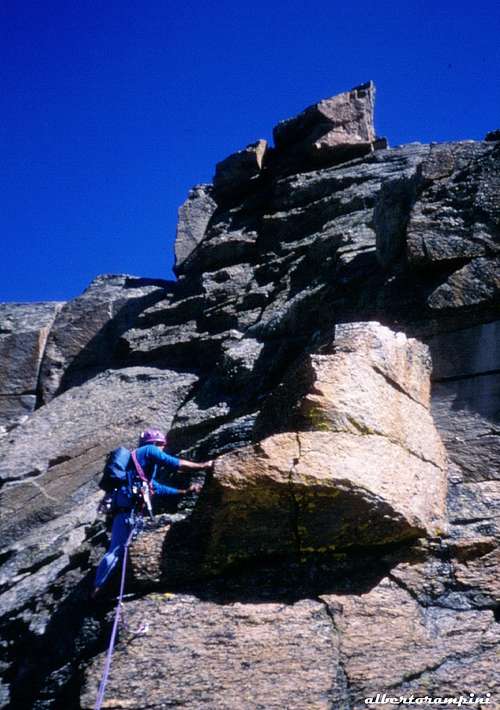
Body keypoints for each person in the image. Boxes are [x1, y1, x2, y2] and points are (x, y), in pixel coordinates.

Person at [91, 428, 213, 598]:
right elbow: (174, 463)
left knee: (119, 548)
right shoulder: (149, 451)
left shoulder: (138, 466)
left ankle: (104, 587)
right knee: (119, 549)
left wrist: (183, 492)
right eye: (163, 445)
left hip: (126, 511)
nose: (163, 448)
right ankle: (98, 589)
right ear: (157, 443)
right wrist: (203, 466)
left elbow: (154, 487)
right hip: (130, 512)